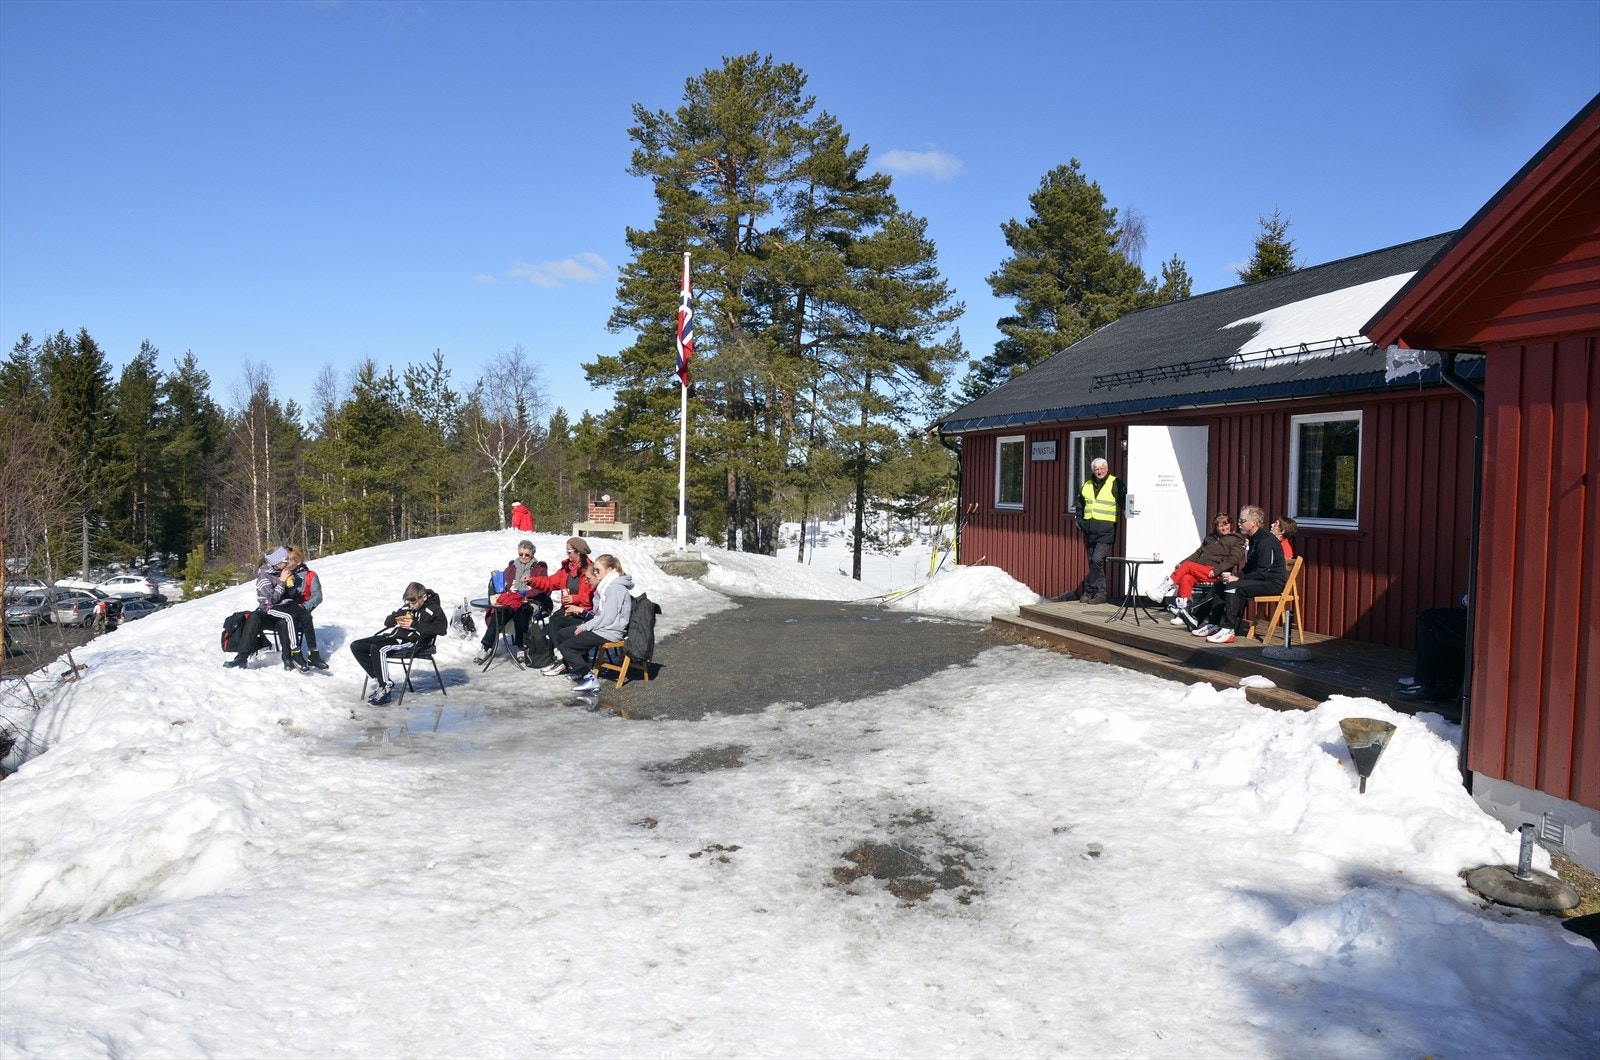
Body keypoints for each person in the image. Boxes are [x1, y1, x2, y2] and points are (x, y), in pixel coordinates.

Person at [1191, 506, 1286, 645]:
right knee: (1220, 582)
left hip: (1272, 583)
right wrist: (1235, 575)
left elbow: (1263, 572)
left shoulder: (1265, 541)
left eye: (1242, 520)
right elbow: (1249, 568)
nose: (1239, 523)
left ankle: (1229, 629)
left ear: (1253, 522)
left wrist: (1238, 579)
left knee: (1232, 587)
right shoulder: (1253, 538)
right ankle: (1214, 624)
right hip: (1259, 579)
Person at [350, 581, 447, 705]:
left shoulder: (433, 609)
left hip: (414, 642)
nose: (411, 605)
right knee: (356, 646)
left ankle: (386, 687)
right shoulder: (407, 608)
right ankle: (379, 679)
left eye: (414, 602)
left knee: (378, 648)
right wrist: (395, 619)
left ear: (424, 597)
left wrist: (416, 625)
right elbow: (388, 622)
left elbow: (442, 629)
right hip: (394, 637)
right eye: (408, 602)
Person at [552, 553, 634, 693]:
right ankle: (579, 668)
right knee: (563, 633)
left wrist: (584, 627)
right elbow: (600, 614)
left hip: (610, 631)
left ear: (609, 570)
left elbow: (607, 618)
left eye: (598, 570)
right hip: (604, 627)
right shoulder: (606, 586)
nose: (595, 573)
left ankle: (589, 678)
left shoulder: (615, 588)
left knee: (568, 647)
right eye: (594, 570)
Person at [224, 546, 313, 672]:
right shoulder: (263, 574)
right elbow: (272, 599)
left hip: (282, 612)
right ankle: (242, 656)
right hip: (267, 611)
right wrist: (282, 582)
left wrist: (290, 586)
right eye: (285, 560)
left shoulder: (284, 571)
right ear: (277, 561)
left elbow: (291, 596)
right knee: (254, 616)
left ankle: (287, 659)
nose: (288, 562)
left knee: (283, 622)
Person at [1148, 512, 1245, 624]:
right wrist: (1182, 563)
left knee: (1188, 566)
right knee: (1186, 578)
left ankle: (1162, 590)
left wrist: (1216, 570)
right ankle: (1183, 612)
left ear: (1231, 524)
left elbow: (1233, 559)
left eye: (1226, 524)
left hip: (1216, 573)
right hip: (1201, 570)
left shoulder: (1236, 540)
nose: (1224, 528)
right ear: (1216, 527)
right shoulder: (1210, 538)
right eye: (1220, 525)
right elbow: (1197, 554)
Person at [474, 539, 550, 665]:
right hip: (512, 600)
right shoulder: (511, 568)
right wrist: (508, 593)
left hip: (530, 601)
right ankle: (485, 647)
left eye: (527, 555)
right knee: (500, 613)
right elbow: (502, 587)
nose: (523, 557)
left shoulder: (539, 569)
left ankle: (521, 646)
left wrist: (527, 594)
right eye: (521, 554)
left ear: (532, 555)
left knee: (522, 611)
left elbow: (544, 587)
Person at [526, 537, 595, 674]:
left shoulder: (590, 570)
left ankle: (563, 659)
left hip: (585, 611)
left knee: (556, 621)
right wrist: (532, 581)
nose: (567, 554)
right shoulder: (566, 569)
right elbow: (550, 582)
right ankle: (561, 658)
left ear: (579, 552)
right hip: (569, 609)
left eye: (569, 551)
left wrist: (575, 598)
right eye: (567, 551)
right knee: (555, 619)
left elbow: (592, 596)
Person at [1064, 457, 1123, 605]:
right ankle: (1099, 594)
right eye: (1097, 469)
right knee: (1094, 562)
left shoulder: (1115, 483)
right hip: (1089, 531)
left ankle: (1091, 590)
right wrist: (1081, 522)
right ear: (1093, 471)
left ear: (1107, 469)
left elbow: (1124, 502)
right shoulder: (1087, 485)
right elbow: (1080, 505)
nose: (1099, 471)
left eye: (1102, 468)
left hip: (1106, 531)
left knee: (1097, 559)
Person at [1395, 597, 1468, 702]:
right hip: (1474, 616)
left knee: (1430, 621)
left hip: (1484, 623)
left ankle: (1424, 684)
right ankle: (1445, 681)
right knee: (1427, 616)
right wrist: (1465, 598)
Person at [285, 546, 328, 670]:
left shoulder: (310, 575)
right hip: (286, 610)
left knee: (306, 615)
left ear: (298, 562)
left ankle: (313, 654)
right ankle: (299, 654)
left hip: (302, 610)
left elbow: (317, 596)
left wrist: (304, 606)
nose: (286, 563)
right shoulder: (283, 575)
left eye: (290, 560)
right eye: (286, 560)